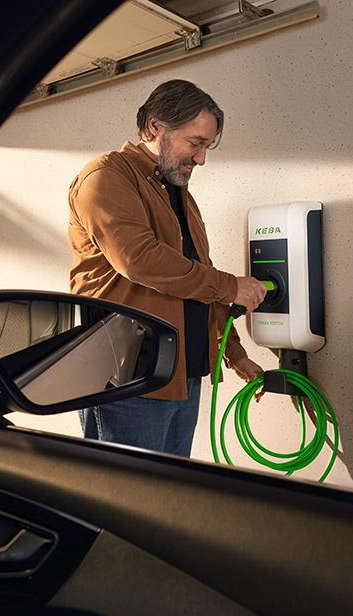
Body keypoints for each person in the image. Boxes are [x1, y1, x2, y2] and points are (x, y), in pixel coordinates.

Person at [68, 79, 266, 457]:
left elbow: (198, 279)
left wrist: (234, 353)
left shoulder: (179, 195)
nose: (201, 158)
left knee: (166, 500)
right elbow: (140, 260)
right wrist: (230, 287)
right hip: (128, 384)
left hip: (183, 379)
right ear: (155, 127)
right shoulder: (106, 177)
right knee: (125, 507)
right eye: (195, 143)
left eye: (206, 146)